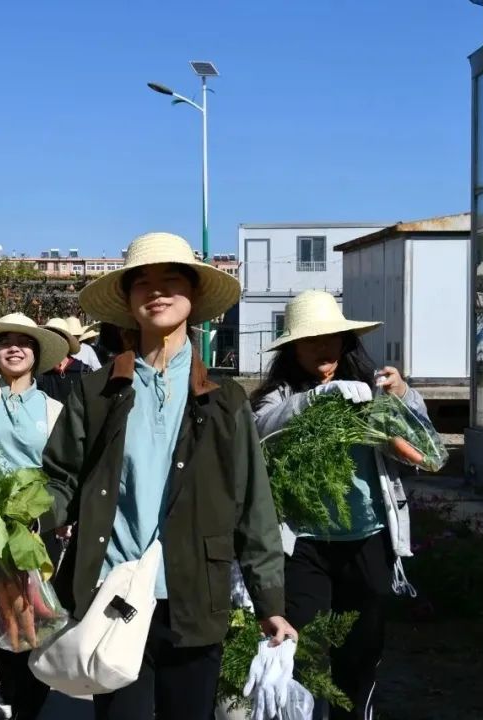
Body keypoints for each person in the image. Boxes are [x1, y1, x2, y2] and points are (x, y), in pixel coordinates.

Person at [41, 232, 296, 720]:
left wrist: (270, 601)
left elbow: (253, 506)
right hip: (112, 597)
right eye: (142, 283)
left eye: (170, 280)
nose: (156, 291)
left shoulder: (225, 401)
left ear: (194, 296)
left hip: (193, 595)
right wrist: (16, 516)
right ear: (128, 299)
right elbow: (60, 480)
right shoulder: (93, 392)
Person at [250, 289, 424, 720]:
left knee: (361, 654)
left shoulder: (374, 390)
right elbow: (262, 431)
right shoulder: (280, 396)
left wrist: (401, 395)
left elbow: (422, 446)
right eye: (310, 340)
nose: (322, 348)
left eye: (330, 338)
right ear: (293, 348)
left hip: (368, 539)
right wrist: (312, 401)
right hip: (304, 545)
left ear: (346, 342)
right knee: (307, 655)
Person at [0, 240, 69, 720]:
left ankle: (29, 704)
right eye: (4, 343)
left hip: (41, 530)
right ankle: (17, 699)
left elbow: (66, 473)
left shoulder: (55, 410)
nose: (14, 348)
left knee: (41, 619)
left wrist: (64, 518)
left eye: (23, 343)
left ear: (37, 354)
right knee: (5, 623)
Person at [38, 318, 90, 405]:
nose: (52, 342)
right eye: (48, 337)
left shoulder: (84, 372)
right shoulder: (38, 373)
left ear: (67, 342)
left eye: (57, 338)